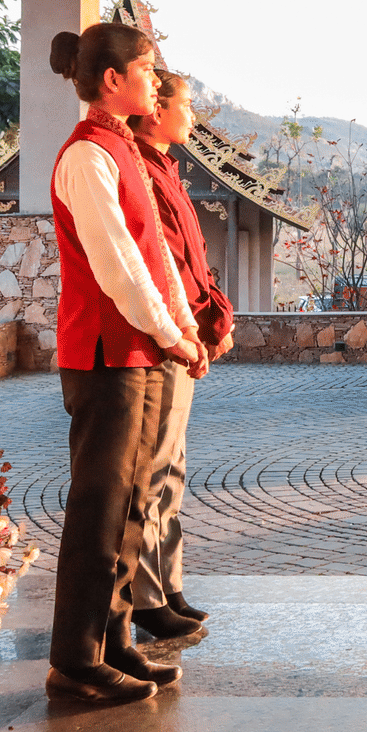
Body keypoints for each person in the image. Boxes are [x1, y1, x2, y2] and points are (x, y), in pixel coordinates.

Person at [46, 24, 207, 705]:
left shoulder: (125, 152)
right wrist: (174, 334)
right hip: (106, 355)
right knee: (98, 508)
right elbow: (121, 269)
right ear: (111, 80)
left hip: (137, 352)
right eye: (145, 69)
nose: (154, 80)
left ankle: (115, 642)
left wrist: (183, 331)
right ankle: (74, 659)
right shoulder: (88, 157)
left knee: (131, 508)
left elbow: (161, 264)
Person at [127, 72, 234, 641]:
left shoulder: (168, 168)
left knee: (173, 469)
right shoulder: (140, 169)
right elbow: (163, 266)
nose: (194, 116)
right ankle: (145, 595)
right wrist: (198, 327)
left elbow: (193, 261)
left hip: (189, 330)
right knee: (152, 470)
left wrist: (217, 313)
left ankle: (168, 583)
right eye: (186, 104)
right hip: (166, 337)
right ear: (156, 108)